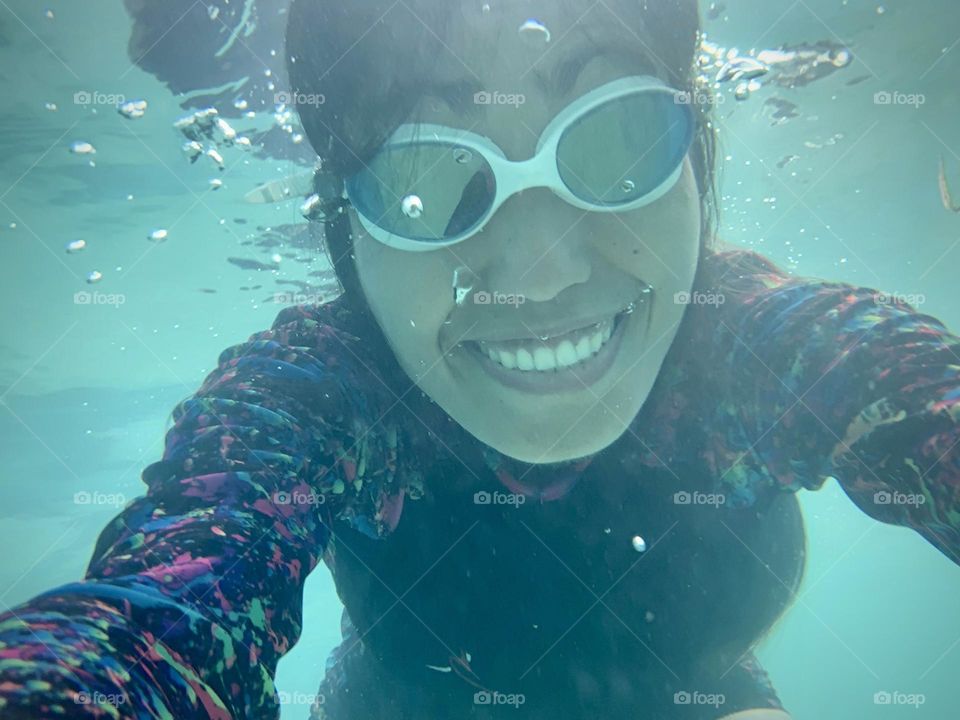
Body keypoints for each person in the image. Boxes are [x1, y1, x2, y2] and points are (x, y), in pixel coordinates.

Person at [1, 1, 957, 719]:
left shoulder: (765, 351)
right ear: (346, 230)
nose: (540, 271)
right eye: (426, 174)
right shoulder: (323, 396)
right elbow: (156, 623)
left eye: (618, 139)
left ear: (696, 158)